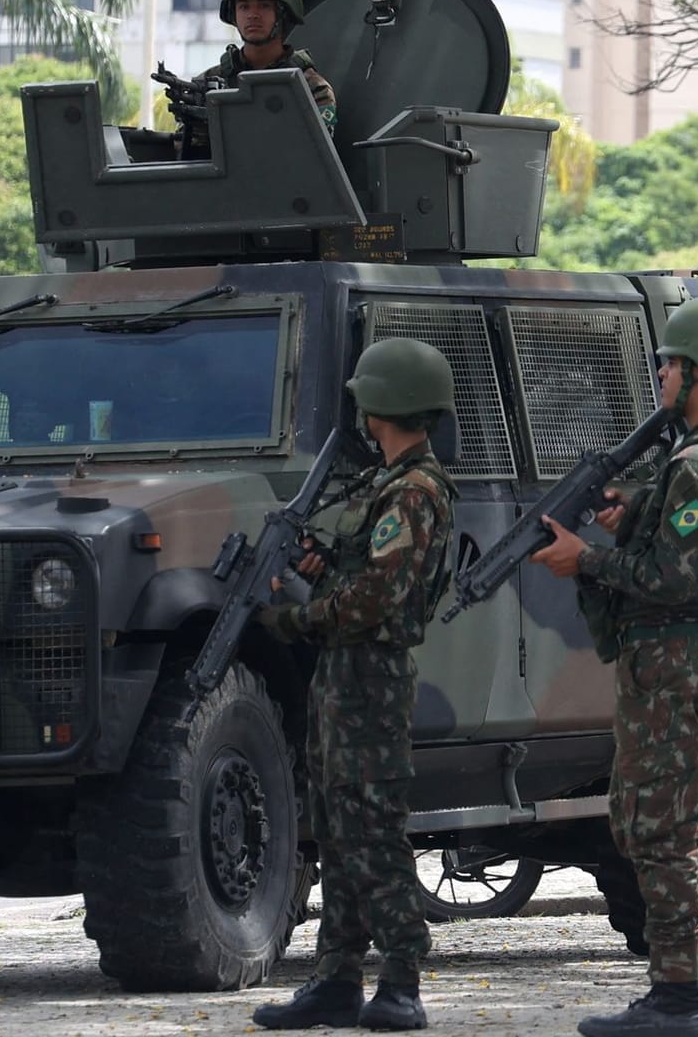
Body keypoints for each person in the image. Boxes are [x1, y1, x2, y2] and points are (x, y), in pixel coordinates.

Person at [530, 293, 698, 1037]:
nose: (662, 376)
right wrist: (637, 510)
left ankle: (678, 998)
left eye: (670, 363)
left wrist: (588, 559)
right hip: (677, 653)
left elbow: (673, 579)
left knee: (658, 831)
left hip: (674, 653)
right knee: (641, 822)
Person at [250, 337, 459, 1031]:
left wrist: (295, 618)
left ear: (385, 405)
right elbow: (364, 574)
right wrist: (323, 562)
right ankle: (336, 977)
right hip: (346, 679)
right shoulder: (390, 489)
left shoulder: (413, 491)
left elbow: (376, 600)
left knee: (371, 833)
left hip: (368, 676)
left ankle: (402, 979)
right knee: (338, 834)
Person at [178, 0, 337, 149]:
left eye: (264, 6)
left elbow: (315, 154)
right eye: (244, 7)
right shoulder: (208, 84)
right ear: (234, 15)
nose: (253, 14)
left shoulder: (311, 88)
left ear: (284, 14)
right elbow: (186, 152)